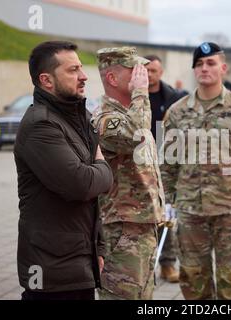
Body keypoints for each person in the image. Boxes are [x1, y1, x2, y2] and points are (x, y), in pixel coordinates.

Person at [161, 42, 231, 300]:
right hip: (190, 212)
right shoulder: (176, 113)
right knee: (193, 282)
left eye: (210, 63)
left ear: (223, 68)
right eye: (199, 64)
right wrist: (168, 199)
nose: (204, 68)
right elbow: (167, 162)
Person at [14, 41, 113, 300]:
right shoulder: (40, 125)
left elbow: (94, 199)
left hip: (78, 264)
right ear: (46, 80)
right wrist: (103, 167)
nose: (84, 76)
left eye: (81, 67)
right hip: (51, 274)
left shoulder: (79, 118)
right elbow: (81, 185)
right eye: (72, 70)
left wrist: (97, 249)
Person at [92, 47, 165, 300]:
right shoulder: (105, 118)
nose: (142, 75)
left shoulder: (132, 113)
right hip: (122, 231)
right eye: (134, 70)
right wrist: (141, 92)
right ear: (112, 78)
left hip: (142, 227)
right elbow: (135, 134)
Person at [144, 54, 187, 283]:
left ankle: (168, 264)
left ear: (161, 73)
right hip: (138, 163)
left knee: (166, 214)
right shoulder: (133, 96)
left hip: (165, 163)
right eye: (147, 70)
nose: (150, 74)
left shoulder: (171, 97)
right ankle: (142, 264)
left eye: (154, 70)